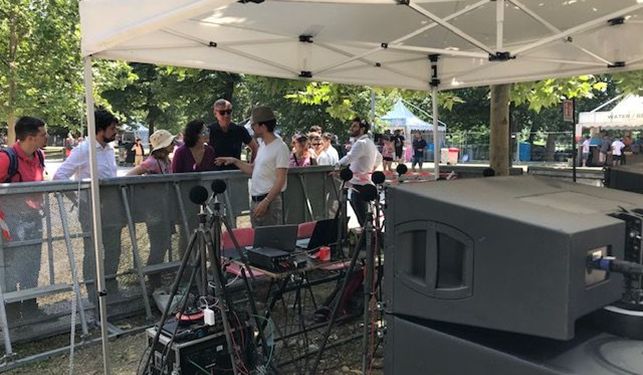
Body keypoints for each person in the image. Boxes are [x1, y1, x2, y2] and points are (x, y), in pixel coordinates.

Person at [53, 109, 121, 303]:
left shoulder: (108, 148)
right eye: (112, 128)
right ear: (100, 129)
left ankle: (111, 288)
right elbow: (60, 176)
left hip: (111, 207)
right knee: (92, 250)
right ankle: (93, 294)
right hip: (90, 208)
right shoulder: (84, 149)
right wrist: (77, 199)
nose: (115, 132)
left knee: (113, 248)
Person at [0, 116, 48, 321]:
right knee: (11, 266)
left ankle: (30, 308)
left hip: (32, 219)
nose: (46, 137)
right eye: (43, 134)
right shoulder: (6, 159)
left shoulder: (39, 156)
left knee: (32, 263)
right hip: (9, 222)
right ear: (30, 138)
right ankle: (10, 313)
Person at [216, 106, 290, 227]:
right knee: (257, 242)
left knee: (270, 241)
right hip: (256, 201)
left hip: (269, 202)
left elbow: (280, 180)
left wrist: (266, 202)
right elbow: (252, 169)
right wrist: (234, 161)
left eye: (254, 125)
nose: (252, 128)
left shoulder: (280, 147)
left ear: (263, 126)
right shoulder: (262, 145)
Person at [126, 130, 175, 289]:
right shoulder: (152, 162)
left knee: (164, 242)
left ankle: (156, 276)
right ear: (163, 146)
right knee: (158, 244)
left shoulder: (167, 161)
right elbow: (130, 175)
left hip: (166, 208)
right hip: (154, 210)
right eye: (170, 143)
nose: (173, 145)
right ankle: (153, 279)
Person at [337, 117, 381, 226]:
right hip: (363, 184)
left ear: (362, 129)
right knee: (365, 217)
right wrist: (369, 169)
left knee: (363, 220)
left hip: (359, 186)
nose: (351, 128)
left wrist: (336, 165)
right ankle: (368, 239)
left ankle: (367, 241)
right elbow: (379, 157)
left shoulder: (361, 143)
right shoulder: (368, 142)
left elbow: (349, 158)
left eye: (354, 126)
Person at [208, 99, 258, 170]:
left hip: (235, 173)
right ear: (215, 113)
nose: (226, 115)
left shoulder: (240, 130)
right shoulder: (209, 130)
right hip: (214, 173)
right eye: (222, 112)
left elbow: (255, 147)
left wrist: (251, 166)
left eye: (229, 112)